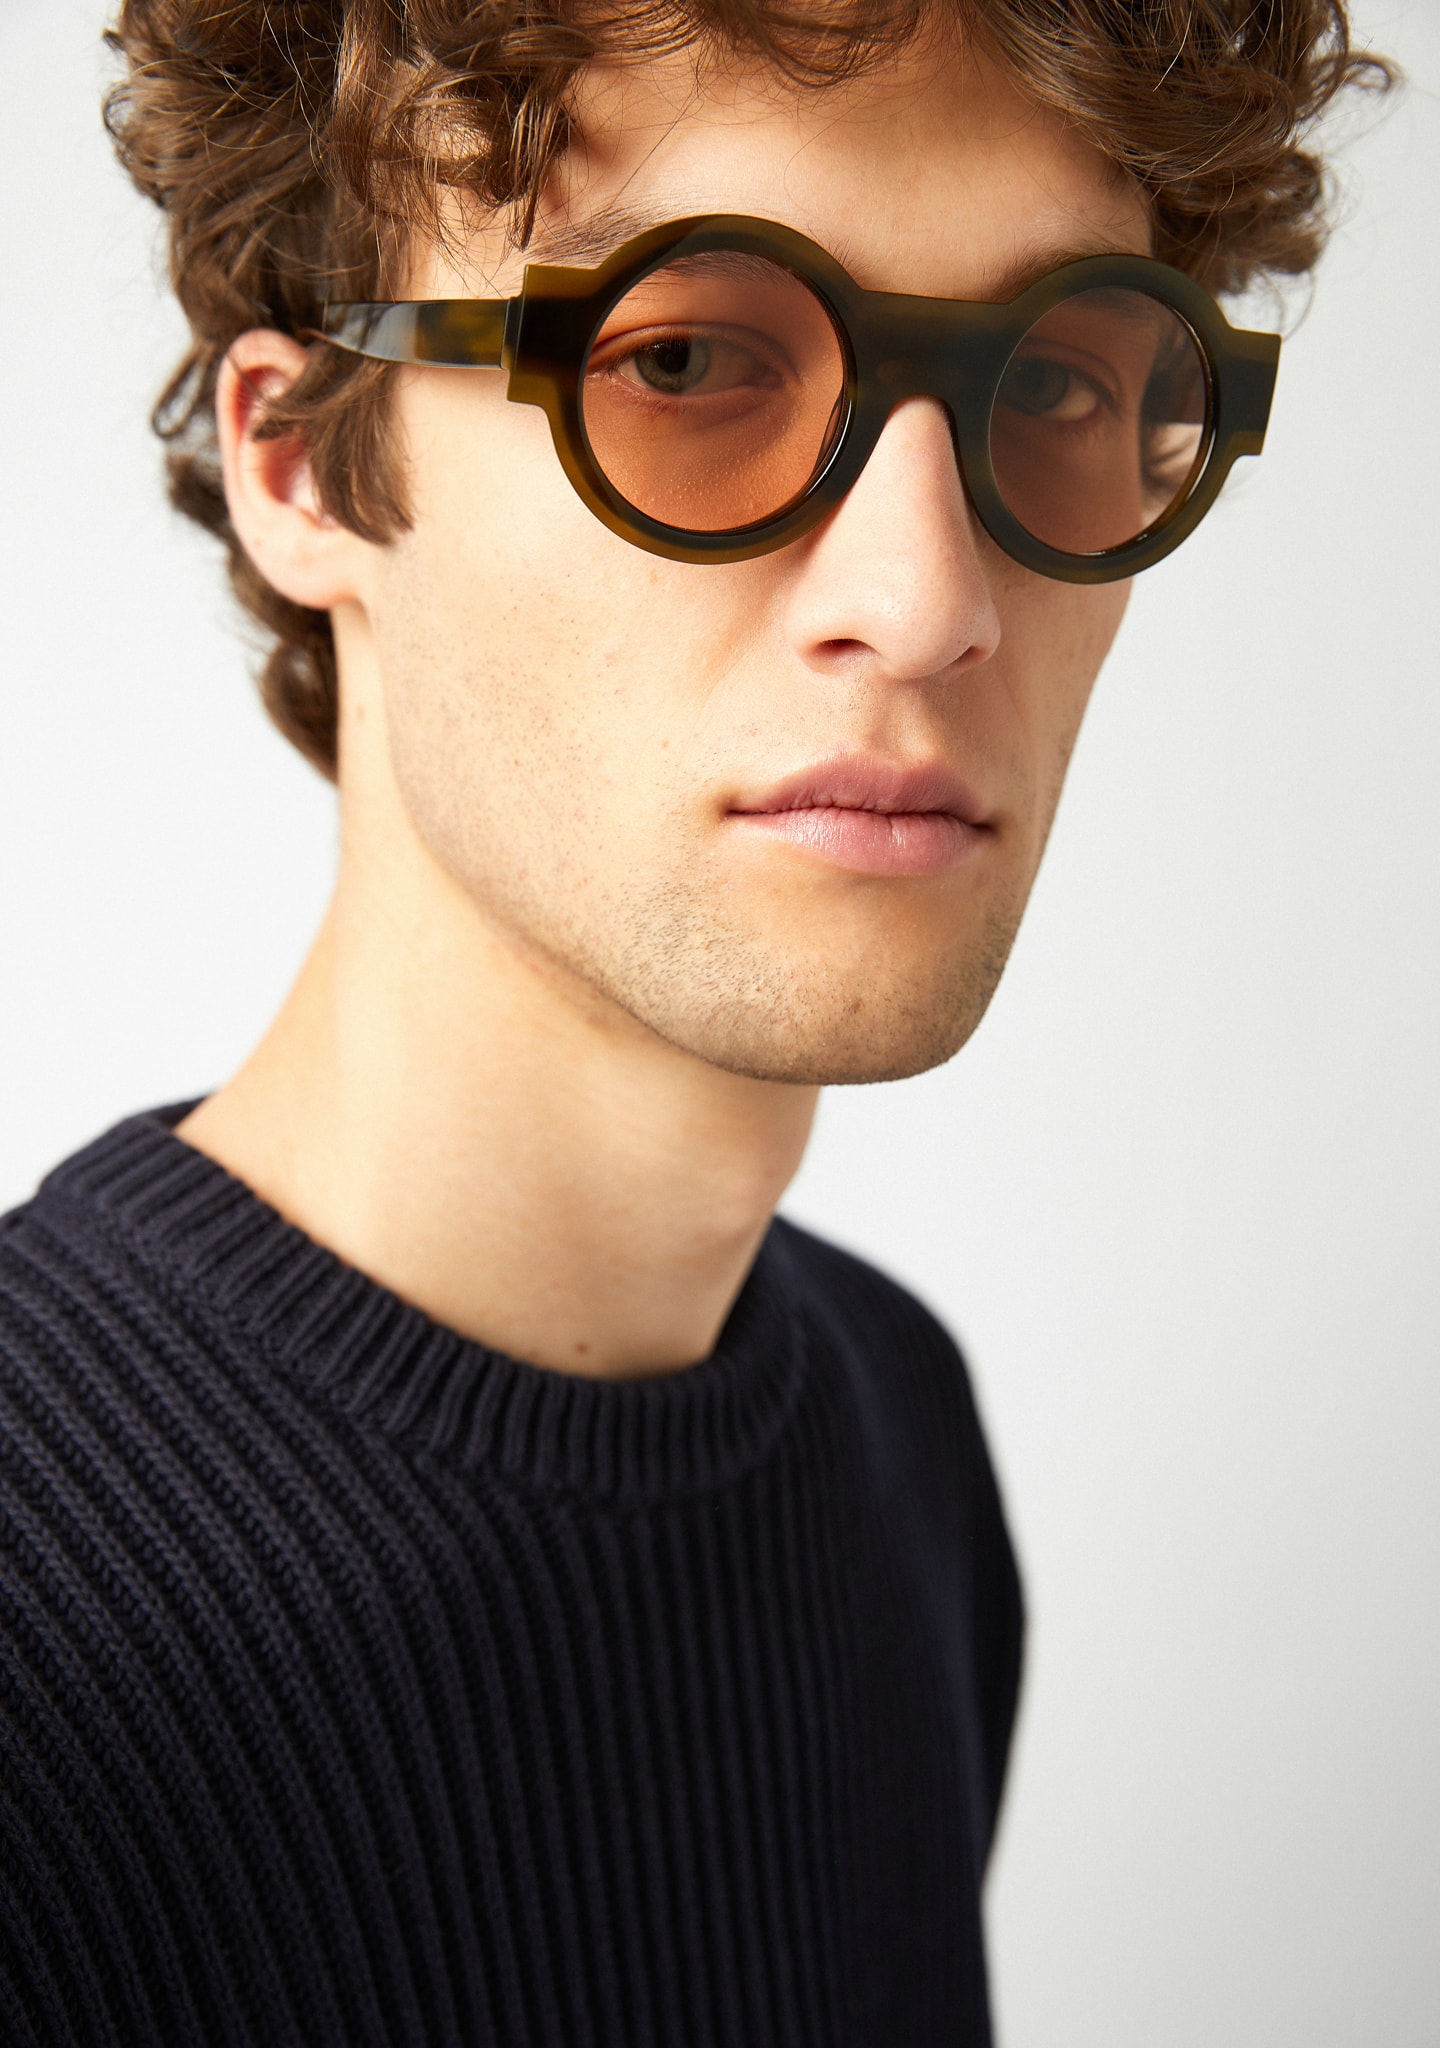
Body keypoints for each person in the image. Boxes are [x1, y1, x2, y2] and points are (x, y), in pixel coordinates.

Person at [0, 3, 1389, 2043]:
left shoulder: (893, 1443)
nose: (930, 600)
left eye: (1058, 378)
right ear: (302, 467)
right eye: (684, 360)